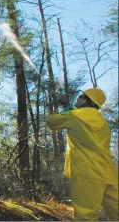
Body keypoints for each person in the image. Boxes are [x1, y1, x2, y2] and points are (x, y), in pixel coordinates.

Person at [47, 88, 118, 221]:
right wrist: (69, 109)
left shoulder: (74, 116)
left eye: (81, 96)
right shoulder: (103, 123)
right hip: (109, 174)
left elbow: (52, 122)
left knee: (85, 217)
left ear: (87, 100)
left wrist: (64, 106)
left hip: (86, 173)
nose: (78, 98)